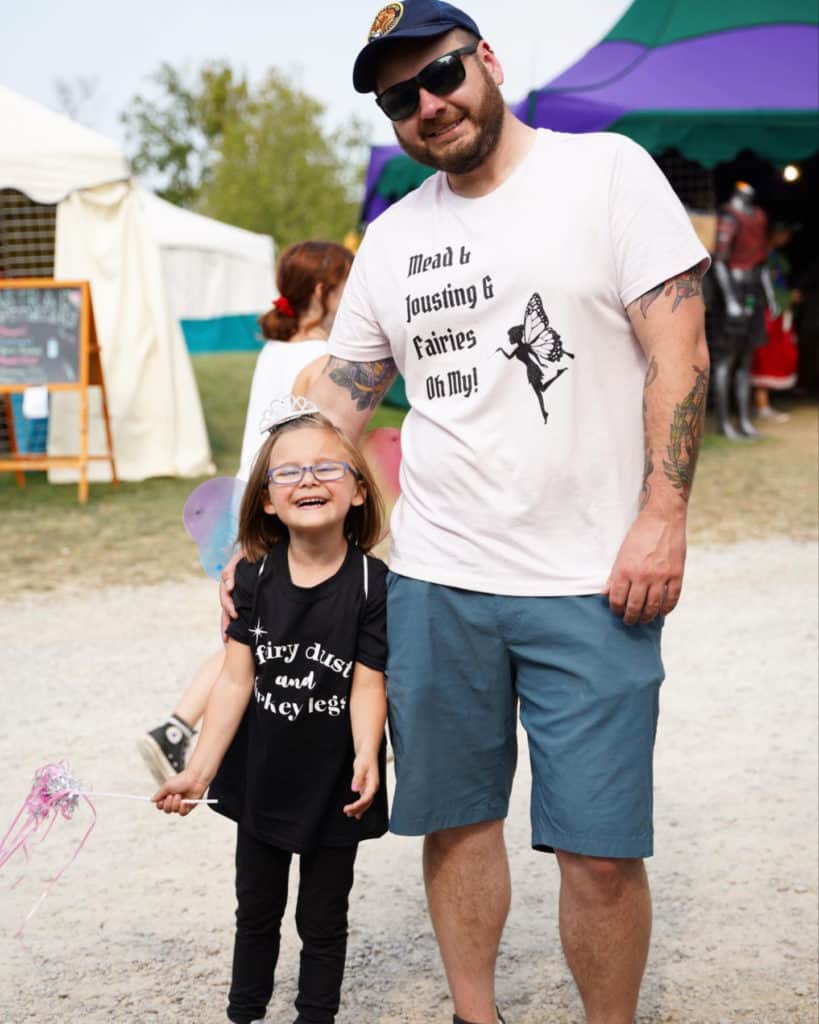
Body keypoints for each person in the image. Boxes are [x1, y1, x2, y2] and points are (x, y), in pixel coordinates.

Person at [234, 3, 712, 1023]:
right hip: (438, 583)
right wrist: (261, 533)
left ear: (486, 60)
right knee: (455, 823)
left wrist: (663, 515)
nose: (427, 106)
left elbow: (681, 355)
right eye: (398, 97)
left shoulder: (609, 174)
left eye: (442, 75)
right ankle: (474, 1015)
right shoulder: (397, 236)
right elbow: (342, 402)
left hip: (595, 580)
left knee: (599, 847)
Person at [154, 397, 389, 1024]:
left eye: (327, 469)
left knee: (322, 917)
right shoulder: (253, 580)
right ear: (264, 498)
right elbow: (233, 684)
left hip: (338, 783)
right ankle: (244, 1013)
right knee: (255, 911)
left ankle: (316, 1015)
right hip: (262, 779)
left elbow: (369, 683)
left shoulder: (374, 584)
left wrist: (369, 752)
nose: (308, 480)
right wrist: (198, 772)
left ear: (360, 491)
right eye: (287, 471)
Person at [138, 241, 353, 784]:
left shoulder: (274, 351)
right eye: (346, 284)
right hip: (284, 504)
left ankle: (178, 727)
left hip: (248, 499)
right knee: (264, 634)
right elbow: (329, 442)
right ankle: (180, 728)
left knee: (253, 629)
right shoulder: (318, 361)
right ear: (325, 292)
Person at [710, 181, 778, 438]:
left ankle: (745, 421)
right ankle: (725, 423)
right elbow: (719, 262)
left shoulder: (758, 217)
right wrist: (729, 300)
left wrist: (769, 295)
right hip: (734, 290)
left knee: (746, 361)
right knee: (726, 359)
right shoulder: (729, 216)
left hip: (753, 291)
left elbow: (761, 263)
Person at [750, 222, 801, 422]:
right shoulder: (759, 257)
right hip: (766, 313)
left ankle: (763, 403)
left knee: (778, 354)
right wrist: (787, 297)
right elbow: (765, 289)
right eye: (785, 233)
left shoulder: (776, 257)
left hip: (777, 313)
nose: (787, 238)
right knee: (763, 356)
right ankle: (760, 405)